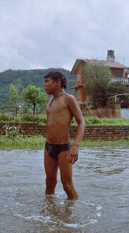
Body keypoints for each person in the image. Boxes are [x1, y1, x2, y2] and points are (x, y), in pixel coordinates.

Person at [43, 69, 85, 200]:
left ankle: (72, 215)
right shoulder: (50, 101)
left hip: (64, 149)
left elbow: (81, 123)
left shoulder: (69, 99)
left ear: (57, 82)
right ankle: (49, 213)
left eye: (47, 82)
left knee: (67, 185)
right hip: (48, 147)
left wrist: (75, 146)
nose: (44, 85)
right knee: (49, 182)